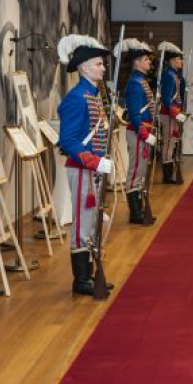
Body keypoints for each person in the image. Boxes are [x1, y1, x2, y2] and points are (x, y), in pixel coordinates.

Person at [56, 34, 113, 296]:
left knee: (91, 222)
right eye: (99, 64)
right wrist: (94, 161)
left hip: (93, 169)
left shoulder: (92, 94)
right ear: (84, 67)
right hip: (82, 169)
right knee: (82, 223)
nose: (103, 68)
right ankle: (81, 280)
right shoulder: (77, 97)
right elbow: (67, 140)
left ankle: (89, 273)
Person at [122, 38, 156, 224]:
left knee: (141, 171)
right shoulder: (135, 83)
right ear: (137, 62)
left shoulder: (141, 80)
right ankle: (135, 213)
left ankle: (139, 210)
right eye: (146, 59)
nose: (149, 62)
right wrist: (144, 134)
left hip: (144, 131)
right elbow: (135, 115)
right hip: (138, 132)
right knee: (135, 172)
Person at [157, 41, 187, 184]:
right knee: (168, 143)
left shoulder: (175, 75)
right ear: (172, 61)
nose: (181, 61)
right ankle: (167, 175)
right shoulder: (169, 75)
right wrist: (175, 113)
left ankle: (169, 173)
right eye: (179, 59)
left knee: (172, 142)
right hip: (169, 114)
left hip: (174, 113)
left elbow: (179, 95)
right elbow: (166, 99)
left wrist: (182, 80)